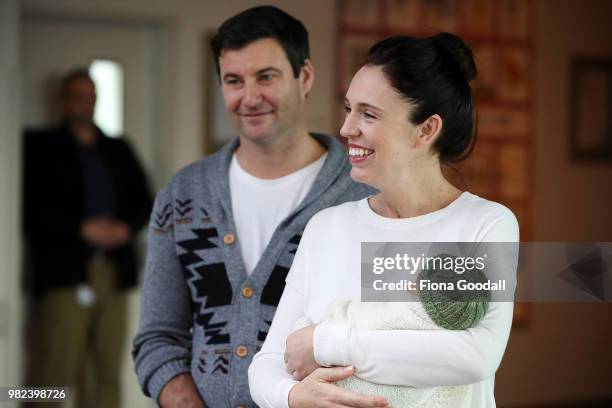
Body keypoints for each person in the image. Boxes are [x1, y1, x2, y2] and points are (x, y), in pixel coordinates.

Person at [248, 33, 520, 408]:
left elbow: (475, 354)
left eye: (369, 114)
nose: (346, 129)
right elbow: (269, 362)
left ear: (426, 130)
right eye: (348, 109)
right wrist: (292, 395)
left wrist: (323, 343)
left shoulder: (485, 224)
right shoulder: (326, 227)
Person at [131, 6, 374, 408]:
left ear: (305, 77)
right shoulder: (183, 194)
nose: (250, 96)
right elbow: (158, 338)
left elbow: (395, 332)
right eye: (234, 81)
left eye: (266, 76)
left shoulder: (362, 191)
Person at [23, 68, 152, 408]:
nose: (86, 104)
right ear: (64, 101)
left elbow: (144, 199)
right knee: (54, 366)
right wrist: (80, 229)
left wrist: (125, 228)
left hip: (114, 270)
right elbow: (30, 207)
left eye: (92, 96)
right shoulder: (39, 146)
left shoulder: (117, 148)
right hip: (65, 271)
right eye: (79, 96)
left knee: (107, 368)